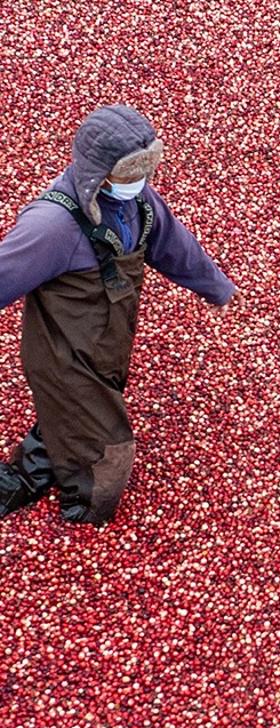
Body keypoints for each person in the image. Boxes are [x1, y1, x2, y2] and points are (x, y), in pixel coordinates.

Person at [0, 104, 243, 525]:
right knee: (108, 447)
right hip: (65, 352)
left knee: (74, 411)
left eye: (143, 172)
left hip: (108, 338)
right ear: (99, 170)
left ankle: (35, 468)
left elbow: (173, 244)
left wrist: (217, 287)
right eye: (131, 173)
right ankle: (84, 509)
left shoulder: (137, 201)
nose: (140, 183)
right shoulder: (53, 226)